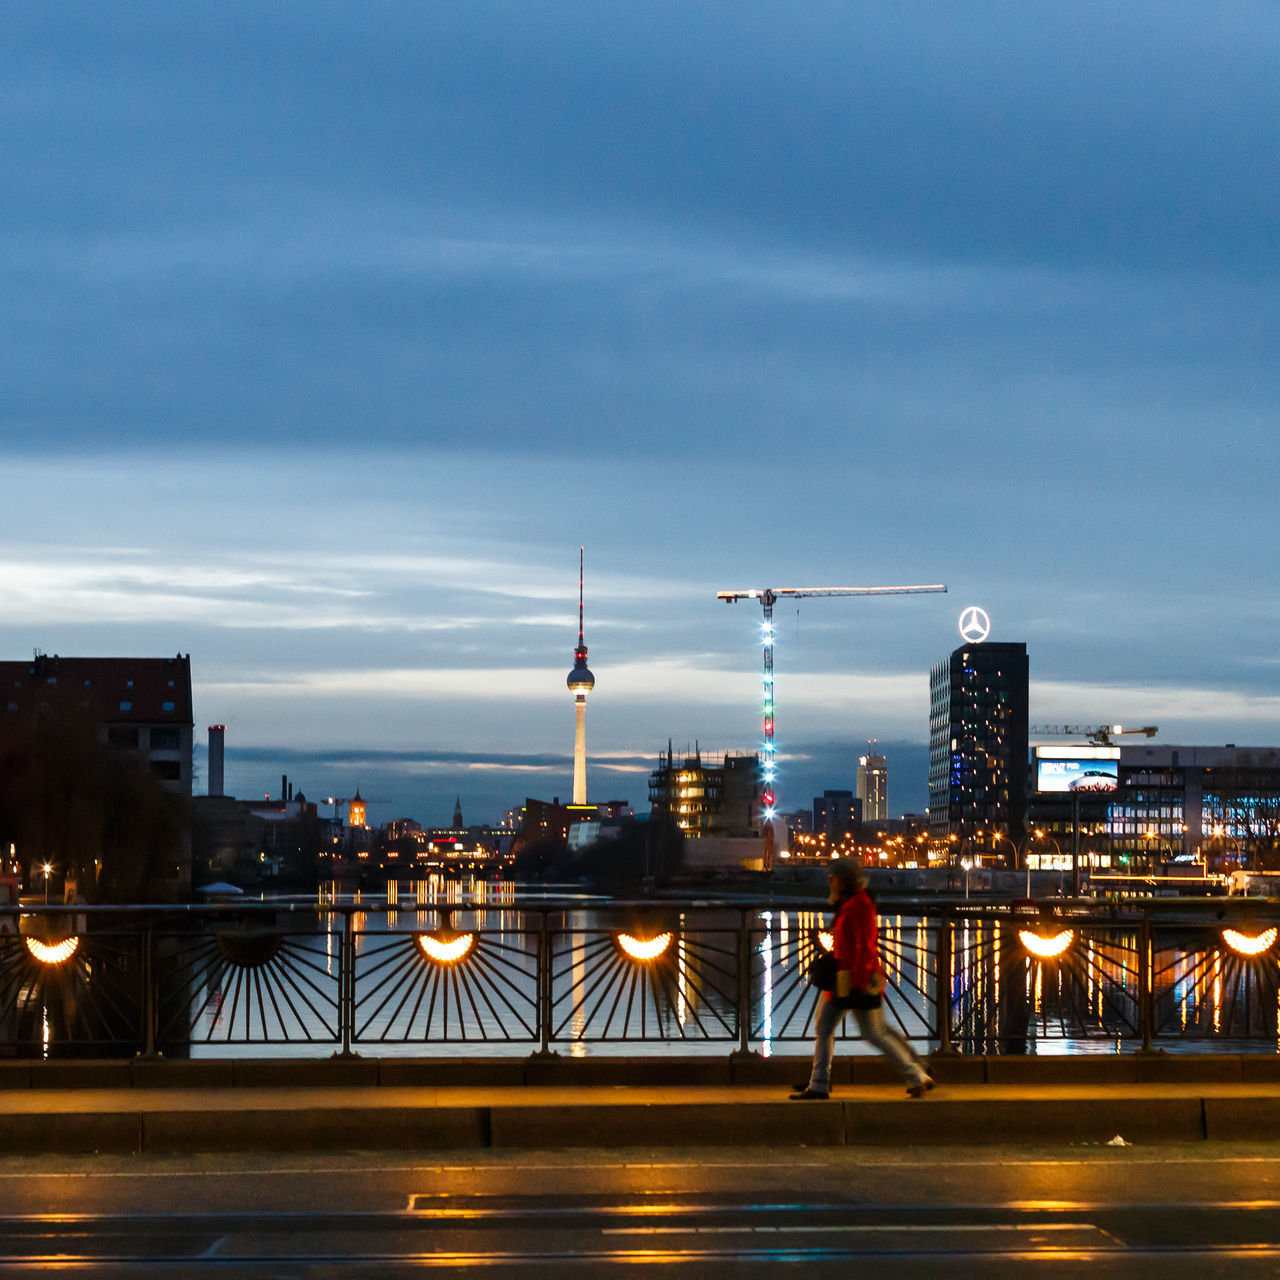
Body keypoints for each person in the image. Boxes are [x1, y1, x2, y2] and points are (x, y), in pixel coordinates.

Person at [790, 858, 933, 1101]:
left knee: (864, 1032)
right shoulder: (853, 903)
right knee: (862, 1031)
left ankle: (820, 1084)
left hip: (852, 981)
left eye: (833, 878)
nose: (830, 882)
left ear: (844, 879)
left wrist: (854, 985)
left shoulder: (858, 906)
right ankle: (819, 1082)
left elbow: (861, 948)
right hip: (851, 978)